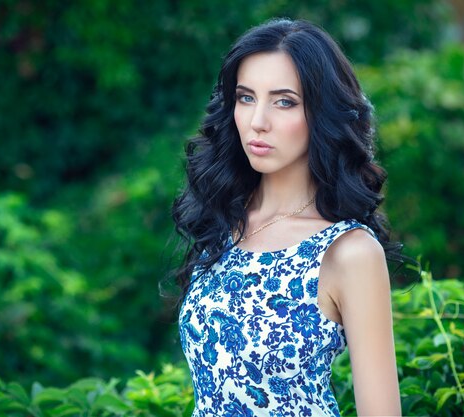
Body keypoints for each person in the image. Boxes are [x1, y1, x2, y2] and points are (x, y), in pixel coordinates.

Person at [172, 18, 401, 417]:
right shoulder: (226, 223)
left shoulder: (349, 252)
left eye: (284, 101)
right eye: (246, 98)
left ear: (322, 114)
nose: (258, 121)